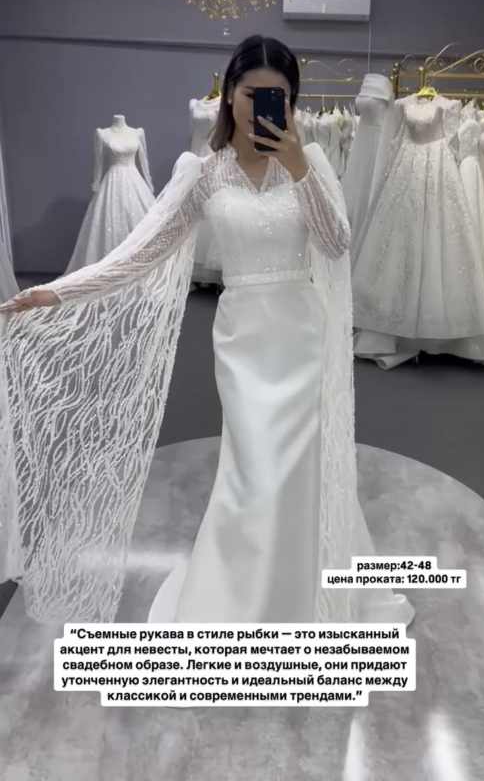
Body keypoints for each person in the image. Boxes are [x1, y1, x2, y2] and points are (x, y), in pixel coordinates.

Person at [0, 35, 414, 629]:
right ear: (230, 94)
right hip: (243, 341)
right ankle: (242, 597)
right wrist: (58, 292)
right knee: (251, 471)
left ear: (292, 102)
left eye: (278, 95)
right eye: (251, 93)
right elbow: (141, 252)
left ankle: (307, 595)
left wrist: (300, 165)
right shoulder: (204, 173)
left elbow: (335, 243)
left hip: (301, 336)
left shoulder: (311, 163)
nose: (262, 105)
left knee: (301, 468)